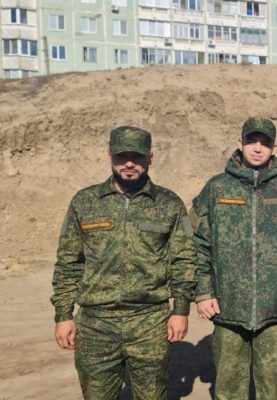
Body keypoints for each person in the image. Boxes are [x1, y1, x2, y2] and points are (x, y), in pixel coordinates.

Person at [51, 126, 196, 400]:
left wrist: (181, 310)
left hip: (150, 322)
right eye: (122, 156)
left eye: (137, 156)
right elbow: (69, 262)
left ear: (150, 158)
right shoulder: (84, 202)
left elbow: (185, 259)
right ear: (110, 156)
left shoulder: (170, 203)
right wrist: (63, 315)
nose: (129, 163)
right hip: (95, 323)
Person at [191, 117, 277, 400]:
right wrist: (203, 292)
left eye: (265, 142)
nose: (258, 148)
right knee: (228, 390)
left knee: (273, 390)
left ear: (275, 147)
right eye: (252, 141)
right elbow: (198, 243)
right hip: (228, 309)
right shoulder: (217, 188)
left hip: (274, 309)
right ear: (239, 143)